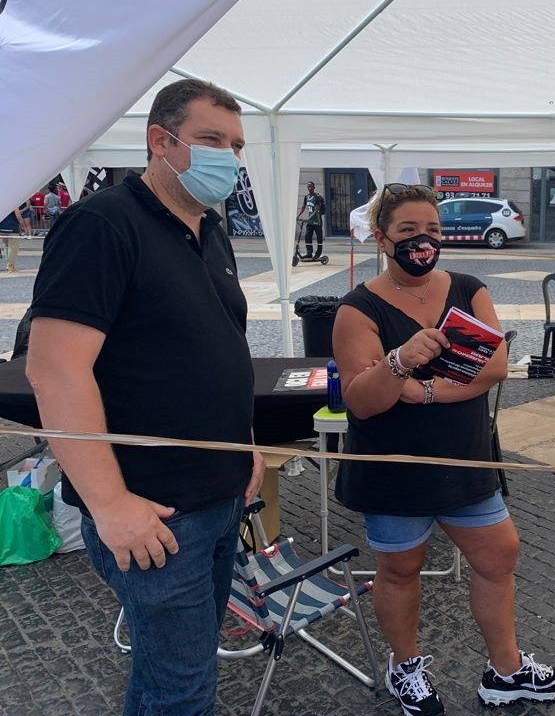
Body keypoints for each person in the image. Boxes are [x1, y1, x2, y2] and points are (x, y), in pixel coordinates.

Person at [26, 78, 265, 716]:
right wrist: (108, 503)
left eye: (237, 145)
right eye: (212, 140)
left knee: (188, 671)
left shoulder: (207, 229)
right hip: (154, 513)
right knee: (177, 692)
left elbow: (212, 347)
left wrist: (243, 448)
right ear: (162, 142)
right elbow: (55, 370)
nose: (229, 157)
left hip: (218, 495)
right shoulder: (100, 225)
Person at [333, 183, 555, 716]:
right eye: (408, 231)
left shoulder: (467, 287)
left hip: (464, 459)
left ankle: (505, 672)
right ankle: (406, 666)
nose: (423, 241)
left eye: (433, 230)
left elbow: (493, 365)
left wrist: (423, 390)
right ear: (381, 237)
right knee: (400, 570)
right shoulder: (358, 309)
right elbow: (362, 401)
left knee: (499, 556)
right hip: (393, 468)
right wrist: (398, 362)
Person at [0, 201, 31, 272]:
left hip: (1, 228)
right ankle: (11, 265)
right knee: (13, 248)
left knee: (6, 246)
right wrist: (23, 226)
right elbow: (18, 216)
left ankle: (8, 263)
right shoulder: (13, 204)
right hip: (12, 228)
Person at [299, 180, 326, 259]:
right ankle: (309, 253)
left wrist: (308, 218)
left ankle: (318, 253)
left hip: (317, 221)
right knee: (307, 236)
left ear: (314, 187)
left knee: (319, 238)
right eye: (308, 186)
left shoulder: (317, 197)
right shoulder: (306, 197)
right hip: (310, 222)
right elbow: (303, 207)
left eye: (311, 186)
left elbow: (317, 210)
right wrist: (298, 215)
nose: (309, 188)